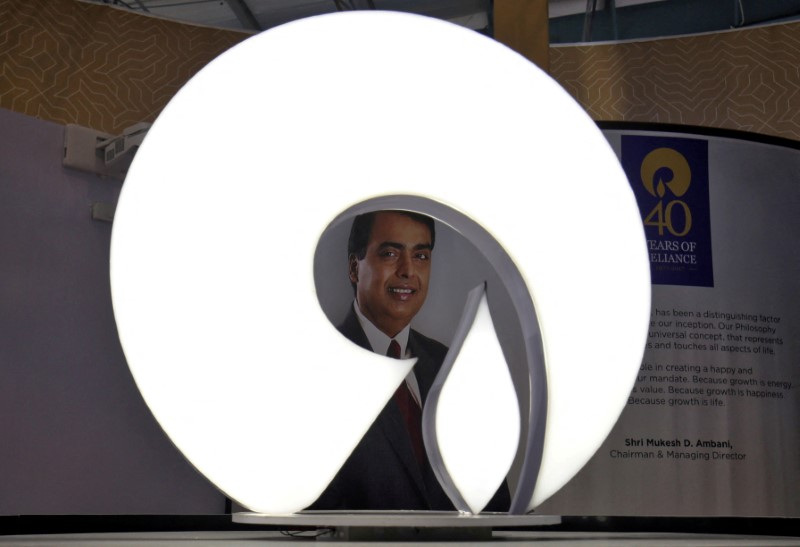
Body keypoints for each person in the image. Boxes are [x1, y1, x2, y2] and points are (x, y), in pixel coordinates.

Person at [310, 210, 509, 512]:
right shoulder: (316, 372)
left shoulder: (453, 367)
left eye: (421, 256)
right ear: (354, 267)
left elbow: (495, 502)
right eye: (390, 253)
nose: (407, 271)